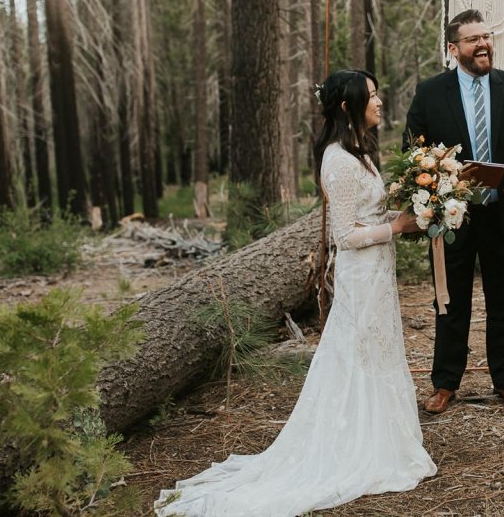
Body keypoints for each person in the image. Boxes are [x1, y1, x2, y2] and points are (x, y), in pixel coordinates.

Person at [155, 70, 436, 516]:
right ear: (347, 106)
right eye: (372, 95)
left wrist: (408, 199)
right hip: (360, 275)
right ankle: (356, 442)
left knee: (378, 352)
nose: (380, 102)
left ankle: (385, 434)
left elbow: (368, 212)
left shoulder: (359, 153)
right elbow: (344, 235)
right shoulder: (337, 161)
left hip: (379, 273)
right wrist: (396, 226)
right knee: (359, 353)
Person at [404, 9, 504, 415]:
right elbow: (412, 152)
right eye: (473, 39)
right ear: (453, 49)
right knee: (450, 303)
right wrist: (440, 180)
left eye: (487, 36)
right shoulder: (430, 92)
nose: (483, 44)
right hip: (454, 218)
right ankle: (445, 383)